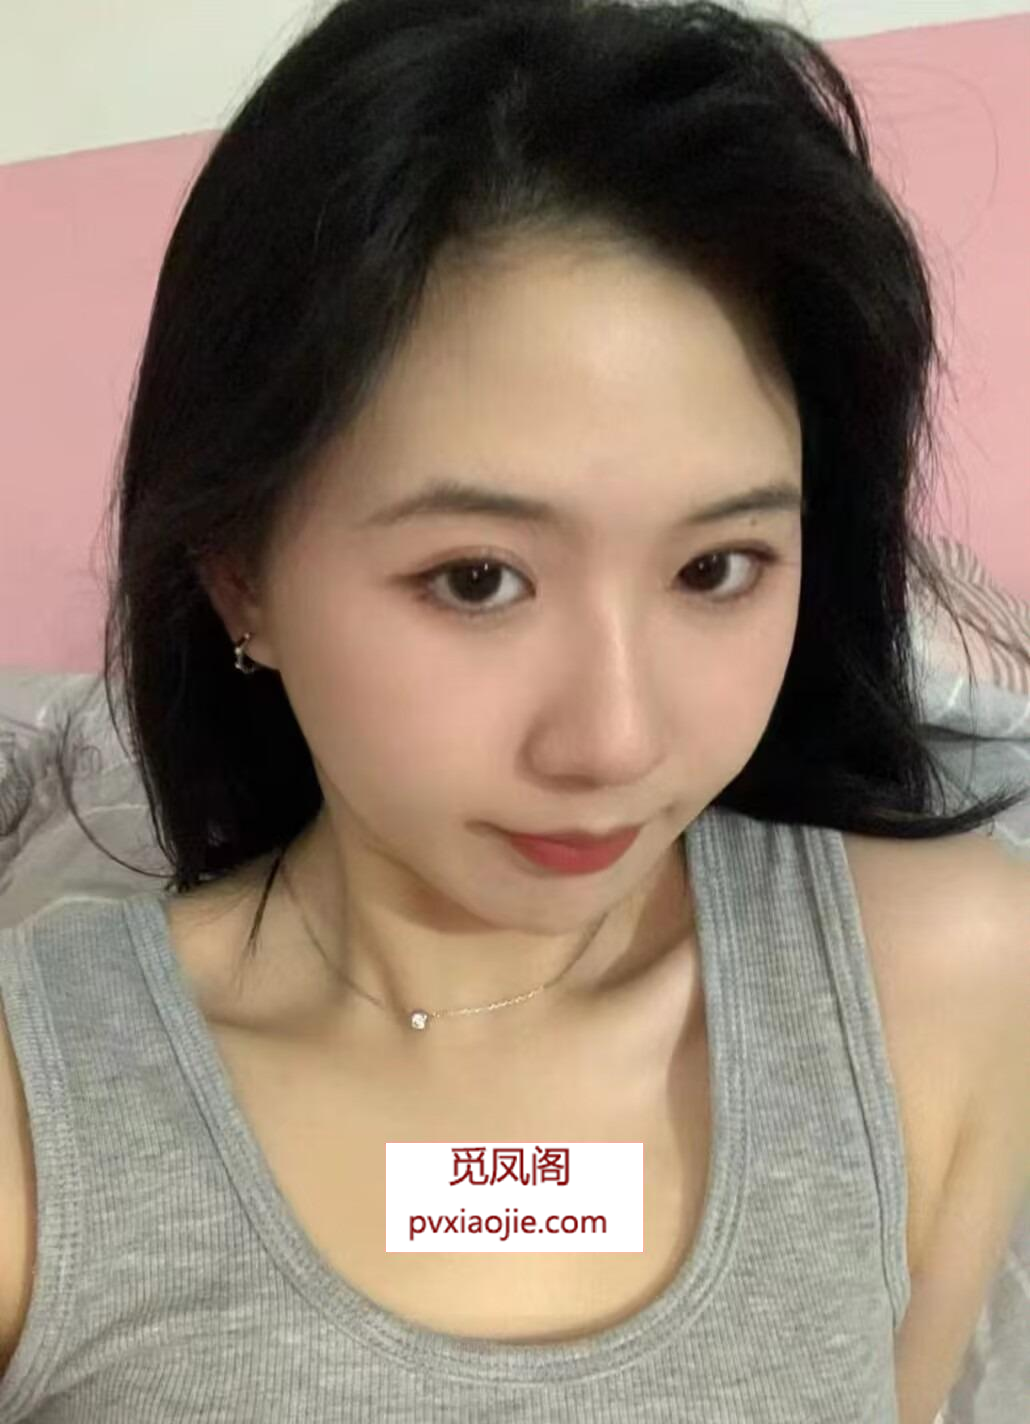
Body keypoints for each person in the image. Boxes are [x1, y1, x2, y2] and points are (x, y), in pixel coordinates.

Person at [0, 1, 1026, 1421]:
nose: (614, 741)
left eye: (716, 568)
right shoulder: (36, 1110)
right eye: (477, 578)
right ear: (240, 573)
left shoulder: (944, 978)